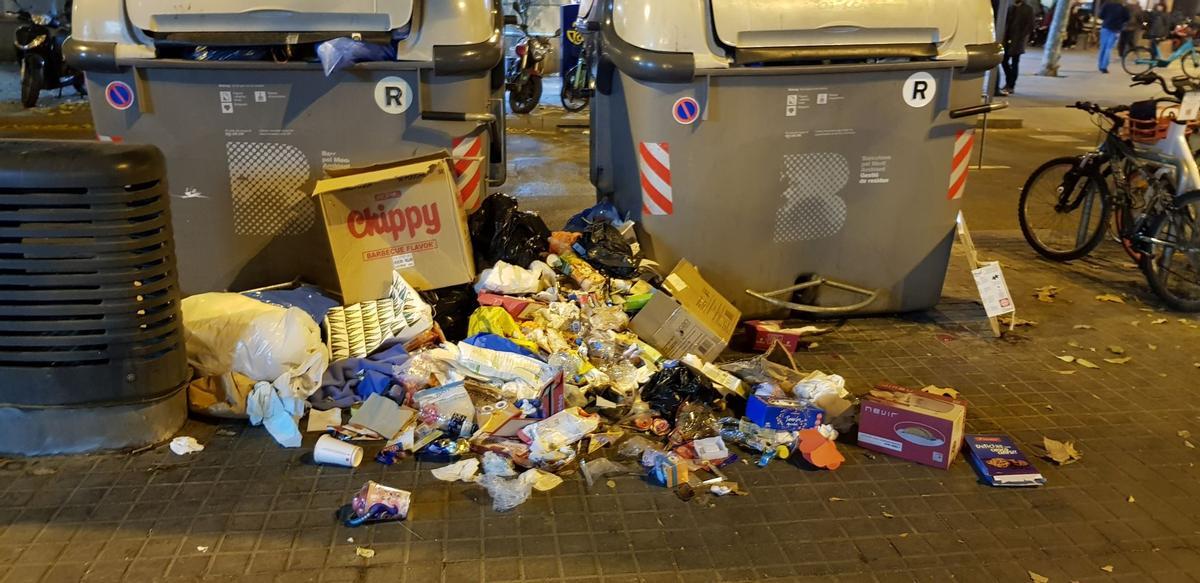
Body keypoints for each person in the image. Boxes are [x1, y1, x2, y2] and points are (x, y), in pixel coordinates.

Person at [1000, 0, 1036, 95]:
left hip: (1018, 40)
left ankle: (1011, 85)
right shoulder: (1010, 8)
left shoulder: (1028, 9)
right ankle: (1009, 81)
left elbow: (1030, 25)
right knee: (1004, 61)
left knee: (1015, 62)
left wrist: (1021, 36)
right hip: (1007, 39)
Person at [1097, 0, 1131, 73]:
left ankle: (1100, 65)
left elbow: (1100, 16)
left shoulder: (1107, 4)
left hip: (1105, 27)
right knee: (1109, 48)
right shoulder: (1123, 7)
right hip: (1116, 29)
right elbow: (1127, 18)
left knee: (1103, 47)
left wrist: (1107, 18)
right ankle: (1104, 66)